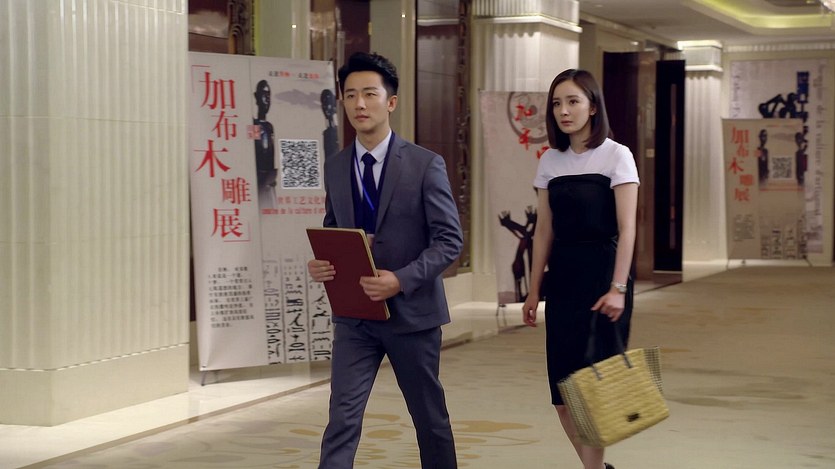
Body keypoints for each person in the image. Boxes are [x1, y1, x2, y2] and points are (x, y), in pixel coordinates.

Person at [307, 51, 462, 469]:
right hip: (355, 318)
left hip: (412, 316)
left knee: (429, 419)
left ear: (390, 102)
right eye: (350, 95)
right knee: (342, 418)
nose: (359, 104)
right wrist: (323, 262)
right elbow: (335, 230)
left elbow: (450, 241)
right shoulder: (336, 166)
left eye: (369, 94)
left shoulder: (425, 164)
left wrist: (401, 279)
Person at [521, 69, 639, 469]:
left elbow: (627, 228)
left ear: (592, 107)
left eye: (573, 101)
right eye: (557, 103)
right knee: (563, 395)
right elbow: (543, 232)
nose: (564, 111)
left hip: (604, 277)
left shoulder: (617, 155)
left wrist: (618, 288)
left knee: (595, 390)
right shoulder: (549, 160)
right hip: (564, 279)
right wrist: (534, 290)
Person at [253, 79, 278, 209]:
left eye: (269, 95)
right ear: (256, 97)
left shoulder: (269, 127)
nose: (267, 99)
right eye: (264, 94)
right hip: (259, 183)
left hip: (270, 182)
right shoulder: (254, 125)